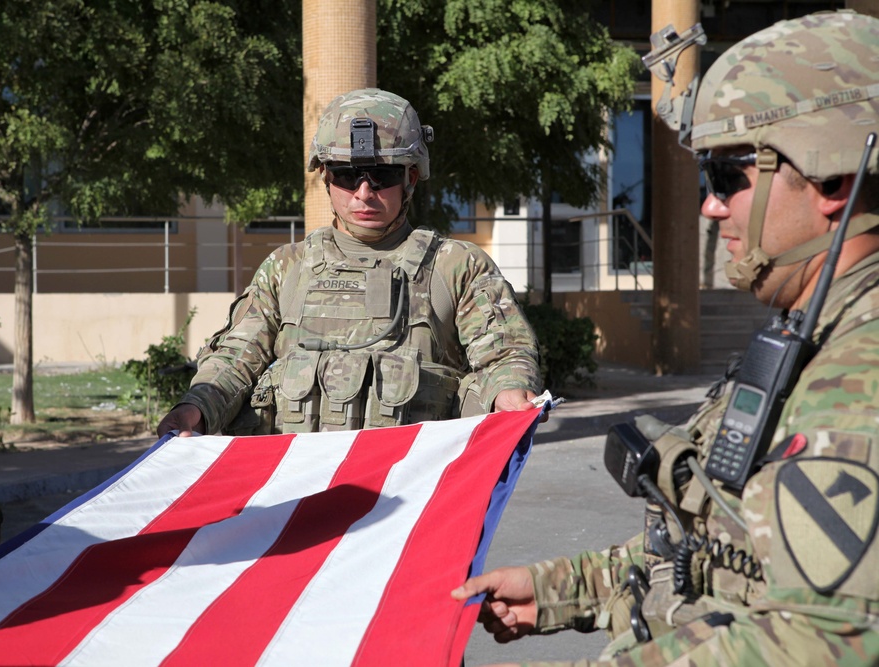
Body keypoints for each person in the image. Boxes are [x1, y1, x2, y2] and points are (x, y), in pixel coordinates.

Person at [452, 11, 879, 666]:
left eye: (726, 175)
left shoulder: (860, 376)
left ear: (832, 180)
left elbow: (820, 641)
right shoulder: (813, 330)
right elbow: (725, 548)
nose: (710, 205)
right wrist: (563, 590)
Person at [157, 89, 541, 438]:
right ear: (325, 177)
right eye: (347, 175)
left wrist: (508, 390)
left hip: (408, 489)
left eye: (382, 175)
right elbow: (236, 359)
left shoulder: (455, 266)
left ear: (410, 177)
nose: (363, 192)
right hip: (295, 490)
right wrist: (196, 408)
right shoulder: (287, 267)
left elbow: (504, 355)